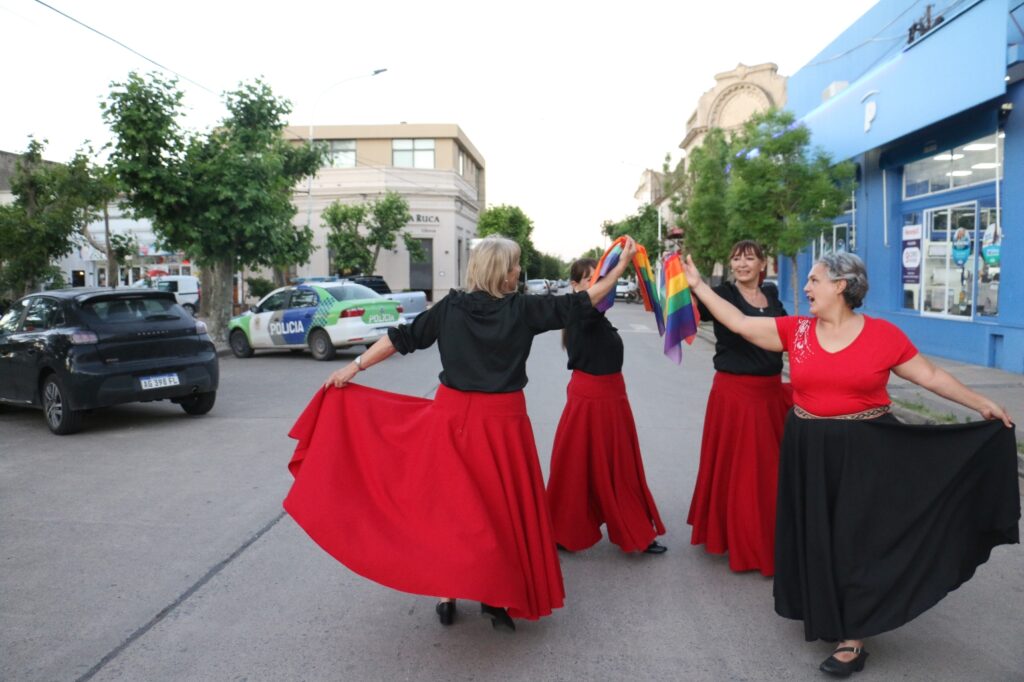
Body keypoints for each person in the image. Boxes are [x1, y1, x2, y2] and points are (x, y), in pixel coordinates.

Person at [682, 251, 1018, 677]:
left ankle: (853, 637)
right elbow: (741, 324)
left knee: (856, 540)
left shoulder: (883, 336)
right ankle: (827, 610)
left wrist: (981, 403)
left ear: (841, 286)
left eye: (815, 281)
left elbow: (930, 377)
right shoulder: (798, 331)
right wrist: (697, 286)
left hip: (868, 448)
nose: (806, 289)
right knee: (819, 536)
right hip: (807, 447)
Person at [283, 235, 639, 632]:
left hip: (452, 420)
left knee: (449, 510)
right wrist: (619, 269)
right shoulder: (523, 309)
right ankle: (495, 598)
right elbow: (584, 300)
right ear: (502, 273)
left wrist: (355, 367)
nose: (519, 271)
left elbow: (403, 338)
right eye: (515, 265)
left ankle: (447, 593)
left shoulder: (452, 307)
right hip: (503, 424)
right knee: (500, 512)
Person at [546, 258, 667, 555]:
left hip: (612, 399)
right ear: (575, 286)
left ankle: (633, 528)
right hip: (590, 401)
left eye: (600, 279)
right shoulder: (580, 313)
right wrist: (622, 263)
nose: (600, 286)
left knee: (621, 468)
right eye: (591, 280)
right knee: (578, 469)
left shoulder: (597, 316)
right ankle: (562, 530)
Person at [686, 240, 791, 576]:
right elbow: (689, 315)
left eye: (749, 258)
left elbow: (789, 335)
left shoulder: (772, 296)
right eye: (736, 258)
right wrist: (687, 287)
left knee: (769, 472)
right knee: (744, 470)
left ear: (763, 264)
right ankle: (745, 542)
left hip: (772, 395)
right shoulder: (724, 294)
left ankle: (771, 534)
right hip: (736, 395)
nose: (742, 264)